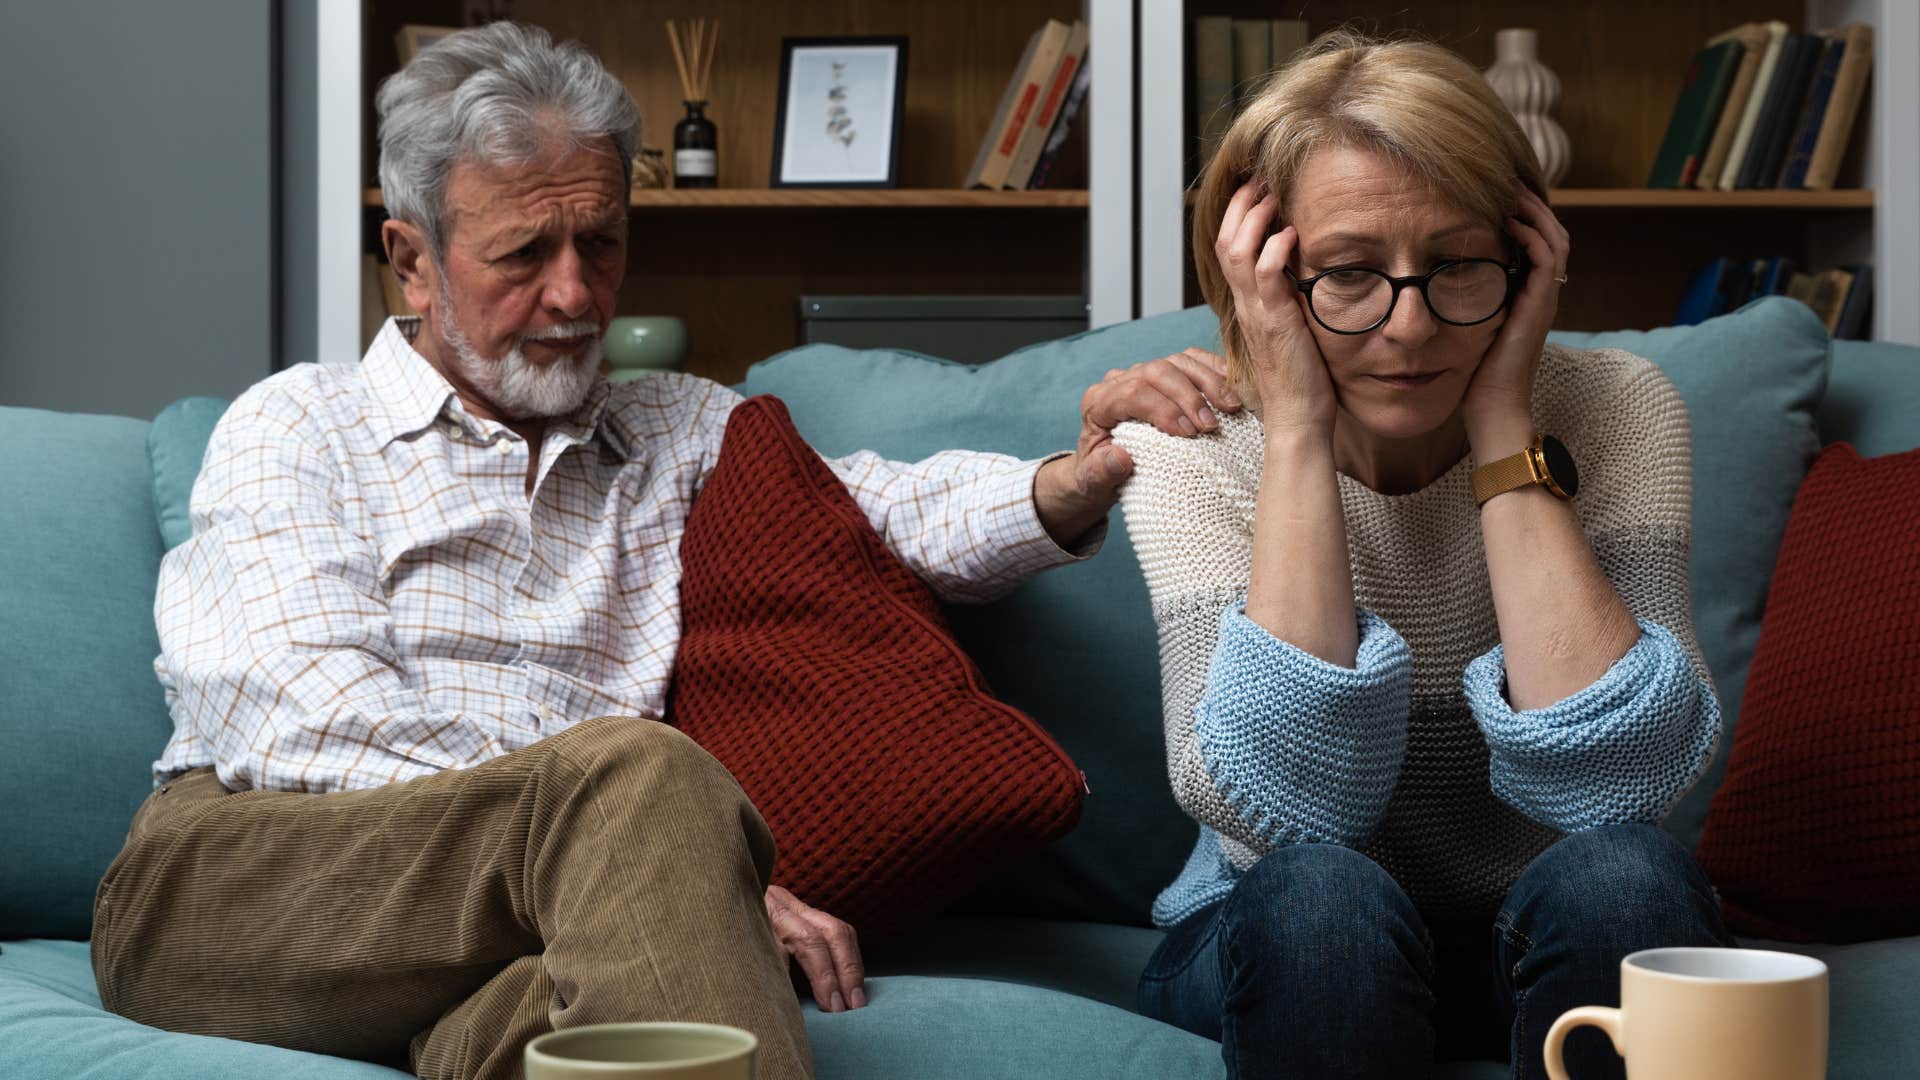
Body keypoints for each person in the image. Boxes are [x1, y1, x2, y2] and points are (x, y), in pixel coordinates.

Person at [89, 22, 1231, 1080]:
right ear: (413, 258)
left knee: (571, 1005)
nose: (575, 293)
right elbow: (310, 719)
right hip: (251, 874)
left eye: (602, 242)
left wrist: (1074, 479)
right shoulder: (299, 424)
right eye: (523, 253)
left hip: (531, 925)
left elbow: (888, 514)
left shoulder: (675, 428)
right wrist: (677, 864)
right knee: (644, 774)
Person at [1113, 31, 1732, 1080]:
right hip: (1281, 934)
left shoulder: (1623, 409)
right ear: (1262, 268)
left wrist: (1503, 423)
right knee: (1322, 897)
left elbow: (1622, 786)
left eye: (1454, 266)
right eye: (1349, 274)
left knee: (1631, 877)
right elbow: (1285, 805)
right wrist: (1298, 434)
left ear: (1527, 255)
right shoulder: (1191, 448)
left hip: (1532, 936)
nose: (1408, 328)